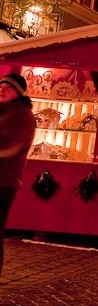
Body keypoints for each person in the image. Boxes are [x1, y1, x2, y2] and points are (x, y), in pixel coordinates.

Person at [0, 73, 36, 276]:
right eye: (1, 85)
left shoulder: (22, 115)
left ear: (19, 93)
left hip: (3, 182)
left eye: (9, 87)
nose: (3, 90)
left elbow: (11, 147)